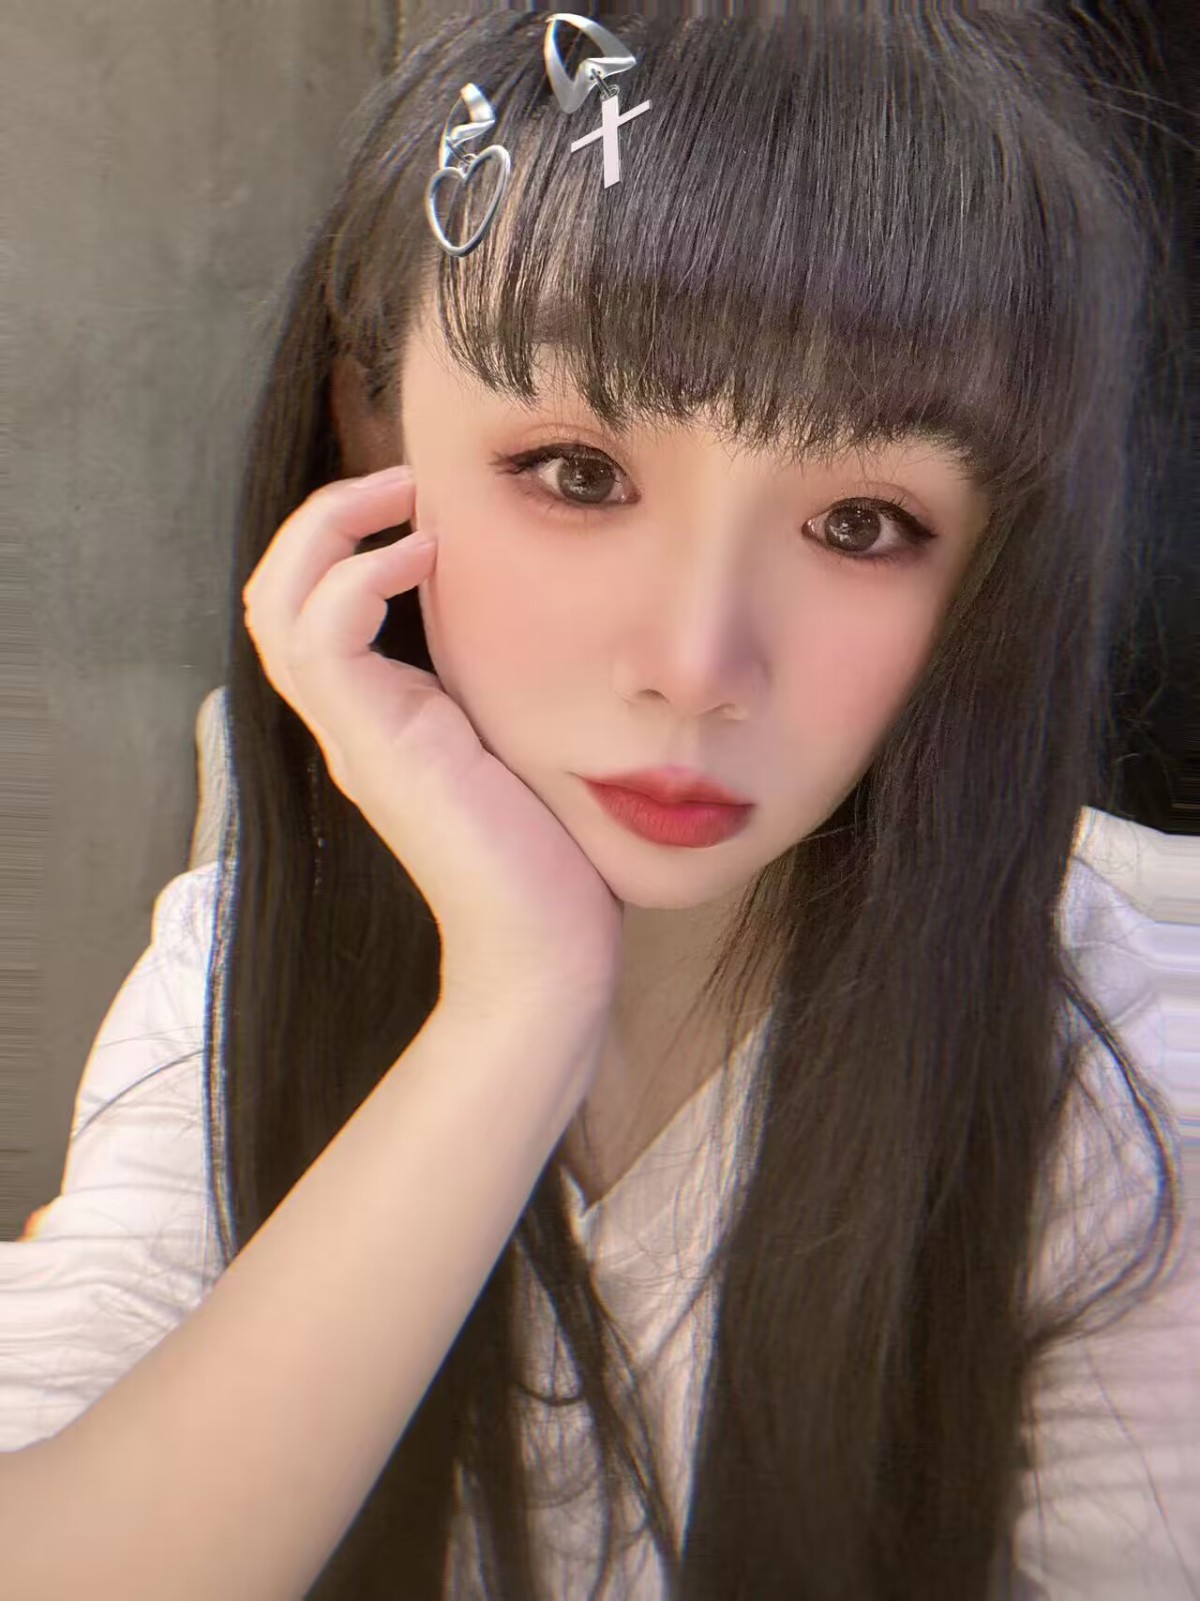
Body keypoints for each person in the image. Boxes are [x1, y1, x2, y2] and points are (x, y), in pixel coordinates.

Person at [1, 10, 1196, 1600]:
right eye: (577, 473)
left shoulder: (1130, 1075)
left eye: (862, 520)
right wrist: (519, 1002)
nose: (697, 665)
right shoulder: (229, 967)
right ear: (374, 440)